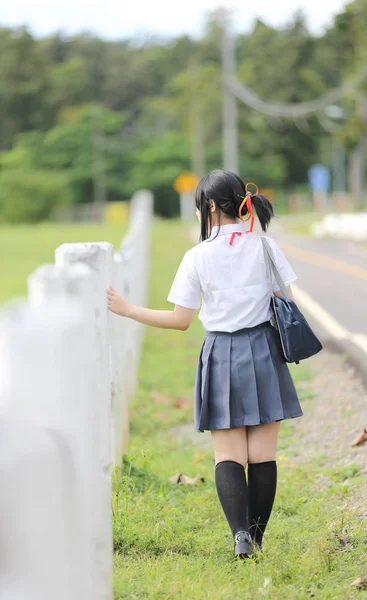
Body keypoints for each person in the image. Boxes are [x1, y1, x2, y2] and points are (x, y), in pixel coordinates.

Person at [107, 169, 303, 559]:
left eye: (200, 207)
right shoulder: (265, 248)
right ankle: (258, 539)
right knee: (263, 455)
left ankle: (239, 537)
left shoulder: (197, 256)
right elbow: (287, 301)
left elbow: (180, 319)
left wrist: (129, 310)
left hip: (221, 353)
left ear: (211, 206)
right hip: (264, 349)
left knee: (228, 454)